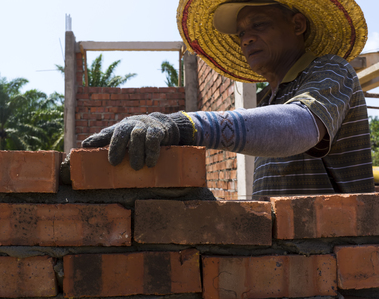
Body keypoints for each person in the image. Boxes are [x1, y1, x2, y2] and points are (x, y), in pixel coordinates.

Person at [81, 0, 375, 197]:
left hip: (338, 260)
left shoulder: (331, 70)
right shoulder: (268, 101)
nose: (246, 38)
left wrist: (184, 126)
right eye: (241, 33)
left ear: (298, 25)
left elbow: (298, 127)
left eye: (259, 25)